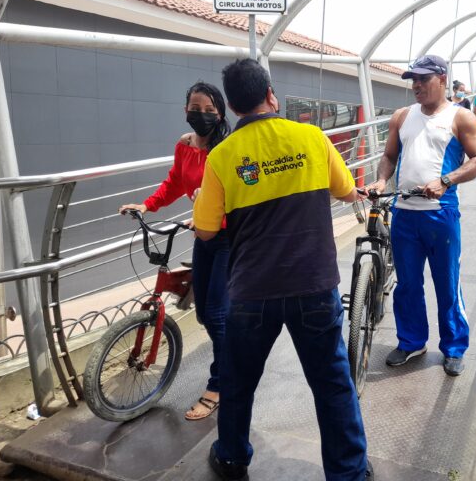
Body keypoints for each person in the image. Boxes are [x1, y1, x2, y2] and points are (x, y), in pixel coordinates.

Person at [193, 59, 371, 481]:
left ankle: (232, 459)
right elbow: (347, 191)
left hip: (251, 292)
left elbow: (203, 232)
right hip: (314, 286)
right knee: (332, 383)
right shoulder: (311, 137)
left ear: (232, 107)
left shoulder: (221, 157)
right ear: (270, 94)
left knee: (238, 383)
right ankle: (348, 473)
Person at [367, 54, 476, 377]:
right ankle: (411, 341)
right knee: (407, 283)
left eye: (423, 79)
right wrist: (381, 180)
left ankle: (453, 347)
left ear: (442, 79)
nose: (416, 86)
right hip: (405, 213)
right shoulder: (401, 116)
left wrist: (446, 180)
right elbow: (390, 155)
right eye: (413, 80)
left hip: (441, 213)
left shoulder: (461, 117)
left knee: (447, 283)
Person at [120, 81, 231, 421]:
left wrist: (213, 208)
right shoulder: (184, 147)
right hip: (203, 234)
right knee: (204, 312)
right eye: (195, 110)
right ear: (185, 110)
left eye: (210, 112)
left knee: (215, 313)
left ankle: (221, 383)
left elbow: (238, 195)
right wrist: (147, 205)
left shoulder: (226, 149)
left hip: (228, 236)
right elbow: (175, 183)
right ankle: (232, 359)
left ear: (221, 114)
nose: (201, 116)